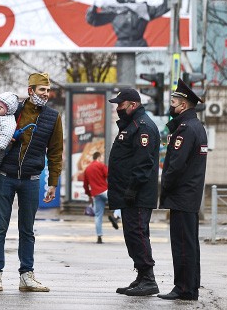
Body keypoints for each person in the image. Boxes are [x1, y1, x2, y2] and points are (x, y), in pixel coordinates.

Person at [0, 72, 63, 293]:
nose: (46, 94)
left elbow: (56, 152)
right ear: (30, 91)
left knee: (27, 230)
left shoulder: (53, 117)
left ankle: (26, 276)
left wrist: (53, 182)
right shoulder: (14, 109)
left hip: (31, 180)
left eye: (48, 91)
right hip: (5, 177)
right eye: (42, 90)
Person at [107, 88, 161, 296]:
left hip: (137, 194)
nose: (118, 108)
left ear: (133, 105)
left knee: (137, 234)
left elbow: (143, 163)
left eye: (121, 105)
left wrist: (131, 189)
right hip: (129, 193)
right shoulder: (132, 125)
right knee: (132, 235)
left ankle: (148, 279)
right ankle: (141, 276)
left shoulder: (143, 127)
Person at [158, 78, 207, 301]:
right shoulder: (196, 127)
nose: (171, 104)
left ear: (184, 105)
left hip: (182, 195)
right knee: (189, 242)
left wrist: (164, 185)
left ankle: (184, 288)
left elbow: (176, 165)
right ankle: (190, 286)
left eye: (174, 101)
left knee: (182, 244)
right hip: (189, 195)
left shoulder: (185, 129)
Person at [85, 0, 170, 47]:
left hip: (140, 49)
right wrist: (94, 7)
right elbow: (93, 21)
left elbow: (167, 6)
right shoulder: (114, 10)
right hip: (122, 49)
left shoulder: (143, 8)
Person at [83, 151, 119, 244]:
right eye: (102, 157)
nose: (103, 159)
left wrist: (89, 194)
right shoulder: (101, 166)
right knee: (120, 201)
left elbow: (85, 185)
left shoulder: (87, 169)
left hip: (95, 194)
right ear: (98, 158)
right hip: (104, 190)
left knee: (98, 215)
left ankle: (99, 237)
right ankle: (115, 216)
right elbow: (109, 176)